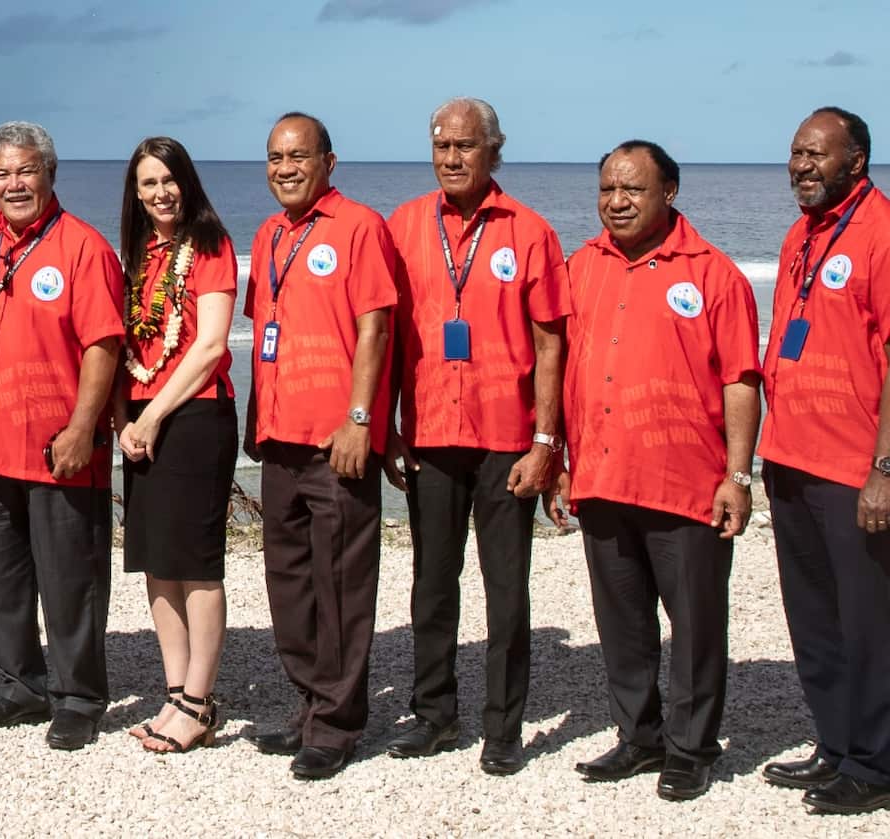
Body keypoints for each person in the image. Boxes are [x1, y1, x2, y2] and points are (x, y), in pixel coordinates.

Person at [545, 140, 761, 800]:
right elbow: (560, 367)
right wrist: (557, 460)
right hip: (602, 477)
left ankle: (692, 746)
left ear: (669, 192)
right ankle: (639, 736)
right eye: (607, 188)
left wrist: (739, 476)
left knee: (694, 621)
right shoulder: (580, 267)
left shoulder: (713, 273)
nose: (616, 201)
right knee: (622, 619)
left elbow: (741, 381)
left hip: (686, 483)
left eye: (632, 189)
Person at [382, 97, 569, 774]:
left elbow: (552, 345)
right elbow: (382, 336)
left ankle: (503, 726)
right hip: (430, 431)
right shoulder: (403, 226)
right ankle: (434, 713)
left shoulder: (530, 232)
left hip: (506, 438)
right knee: (432, 583)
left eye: (464, 145)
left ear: (494, 150)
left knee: (505, 587)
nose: (450, 158)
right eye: (440, 145)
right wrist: (385, 428)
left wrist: (548, 442)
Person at [0, 122, 121, 750]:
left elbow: (104, 343)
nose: (14, 184)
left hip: (60, 446)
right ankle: (19, 684)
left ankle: (79, 695)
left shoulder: (83, 247)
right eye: (2, 174)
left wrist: (84, 427)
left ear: (50, 172)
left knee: (71, 578)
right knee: (1, 575)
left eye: (25, 171)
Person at [243, 112, 397, 780]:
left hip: (338, 440)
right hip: (279, 436)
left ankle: (338, 723)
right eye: (275, 158)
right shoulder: (270, 233)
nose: (284, 168)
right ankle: (309, 700)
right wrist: (257, 420)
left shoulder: (359, 226)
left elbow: (376, 328)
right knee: (290, 582)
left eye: (298, 156)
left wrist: (361, 419)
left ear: (329, 162)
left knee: (340, 584)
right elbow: (267, 336)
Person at [757, 107, 890, 815]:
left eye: (817, 154)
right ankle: (836, 742)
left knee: (869, 620)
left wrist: (885, 469)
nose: (802, 165)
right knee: (813, 615)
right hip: (790, 455)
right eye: (796, 152)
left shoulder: (882, 232)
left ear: (857, 162)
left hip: (854, 468)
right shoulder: (799, 234)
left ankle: (874, 761)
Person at [115, 136, 238, 753]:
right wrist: (124, 420)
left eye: (168, 180)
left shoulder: (211, 246)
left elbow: (211, 346)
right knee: (156, 562)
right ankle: (172, 695)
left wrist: (154, 417)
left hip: (194, 418)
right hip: (141, 417)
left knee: (195, 563)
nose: (160, 193)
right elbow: (129, 348)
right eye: (147, 184)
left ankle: (200, 701)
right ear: (135, 195)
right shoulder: (138, 254)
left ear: (186, 181)